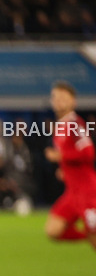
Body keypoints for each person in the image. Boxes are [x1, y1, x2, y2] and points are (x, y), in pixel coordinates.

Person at [44, 81, 96, 250]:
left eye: (63, 98)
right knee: (53, 230)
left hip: (87, 192)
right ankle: (88, 235)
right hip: (73, 193)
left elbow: (88, 152)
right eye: (55, 98)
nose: (58, 102)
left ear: (73, 101)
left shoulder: (75, 124)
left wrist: (61, 156)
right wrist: (64, 169)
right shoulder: (61, 126)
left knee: (94, 237)